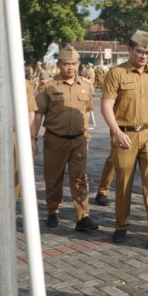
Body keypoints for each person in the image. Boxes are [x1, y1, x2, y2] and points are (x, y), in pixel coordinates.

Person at [100, 30, 148, 251]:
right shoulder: (116, 73)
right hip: (125, 136)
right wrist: (116, 132)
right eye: (140, 51)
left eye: (147, 52)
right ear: (129, 49)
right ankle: (121, 226)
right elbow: (106, 105)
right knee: (124, 183)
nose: (143, 56)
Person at [33, 46, 98, 232]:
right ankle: (53, 211)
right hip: (55, 139)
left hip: (79, 140)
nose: (70, 67)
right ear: (59, 65)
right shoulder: (49, 86)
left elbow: (86, 112)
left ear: (78, 64)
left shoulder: (86, 85)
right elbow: (38, 114)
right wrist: (33, 139)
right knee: (53, 178)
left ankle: (83, 216)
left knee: (80, 178)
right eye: (66, 64)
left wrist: (87, 136)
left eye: (73, 64)